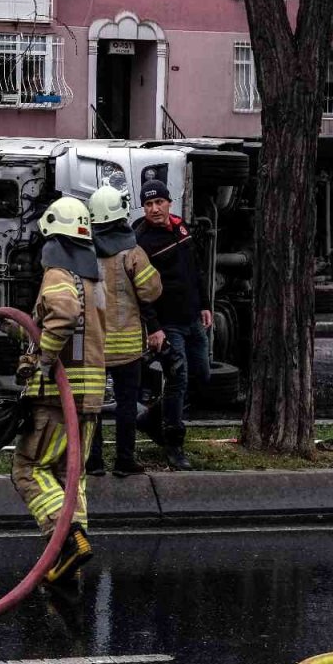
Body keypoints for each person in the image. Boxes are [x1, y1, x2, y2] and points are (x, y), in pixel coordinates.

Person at [11, 196, 107, 585]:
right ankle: (73, 544)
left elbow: (62, 317)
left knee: (29, 468)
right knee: (72, 474)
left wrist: (44, 362)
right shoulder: (92, 277)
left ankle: (65, 536)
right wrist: (5, 326)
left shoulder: (58, 274)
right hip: (91, 396)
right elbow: (48, 325)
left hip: (56, 398)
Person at [84, 186, 162, 478]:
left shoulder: (84, 252)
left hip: (94, 347)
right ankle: (124, 461)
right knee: (127, 406)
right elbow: (151, 291)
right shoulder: (133, 252)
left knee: (91, 406)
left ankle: (93, 463)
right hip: (128, 349)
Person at [135, 180, 210, 471]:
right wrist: (154, 327)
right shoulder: (141, 241)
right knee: (177, 378)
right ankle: (173, 444)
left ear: (169, 203)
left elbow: (196, 270)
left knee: (201, 376)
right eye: (148, 204)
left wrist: (204, 304)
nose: (154, 209)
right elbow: (140, 292)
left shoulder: (182, 229)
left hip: (193, 319)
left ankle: (150, 419)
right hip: (168, 325)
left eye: (159, 203)